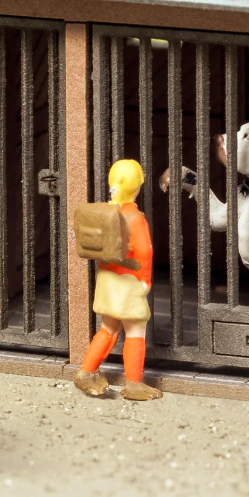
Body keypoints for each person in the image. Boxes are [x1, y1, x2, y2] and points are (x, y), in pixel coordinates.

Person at [73, 159, 160, 401]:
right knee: (135, 332)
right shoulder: (134, 218)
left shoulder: (106, 213)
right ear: (137, 187)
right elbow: (144, 252)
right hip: (129, 282)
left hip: (107, 280)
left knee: (108, 329)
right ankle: (133, 384)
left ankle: (86, 371)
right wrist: (145, 281)